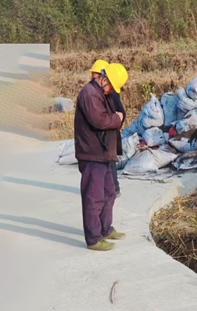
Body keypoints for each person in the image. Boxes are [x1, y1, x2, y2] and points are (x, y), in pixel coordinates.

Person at [75, 61, 129, 251]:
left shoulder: (102, 93)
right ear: (104, 79)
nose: (112, 91)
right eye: (112, 87)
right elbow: (100, 120)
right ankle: (93, 239)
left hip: (104, 152)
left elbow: (118, 112)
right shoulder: (89, 94)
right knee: (94, 197)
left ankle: (105, 229)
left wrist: (118, 116)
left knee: (109, 193)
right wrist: (117, 119)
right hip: (92, 153)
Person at [90, 60, 126, 197]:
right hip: (103, 134)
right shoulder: (99, 93)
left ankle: (114, 189)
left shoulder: (111, 94)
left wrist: (113, 126)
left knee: (109, 162)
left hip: (109, 134)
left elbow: (122, 113)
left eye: (96, 77)